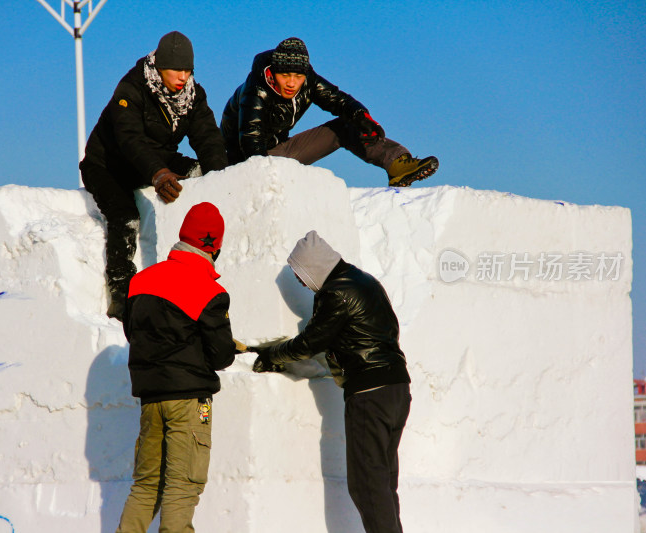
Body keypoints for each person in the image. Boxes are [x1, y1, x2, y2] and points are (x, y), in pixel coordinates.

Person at [250, 230, 411, 533]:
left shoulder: (335, 292)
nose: (298, 280)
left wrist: (273, 353)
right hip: (397, 389)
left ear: (314, 267)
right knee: (383, 483)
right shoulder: (365, 281)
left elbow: (310, 343)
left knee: (367, 486)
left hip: (369, 393)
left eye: (300, 272)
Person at [80, 31, 228, 320]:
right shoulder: (131, 89)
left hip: (156, 159)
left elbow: (208, 137)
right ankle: (122, 296)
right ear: (160, 67)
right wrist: (158, 174)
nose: (183, 76)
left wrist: (222, 179)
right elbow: (130, 139)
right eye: (176, 69)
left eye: (188, 70)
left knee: (198, 173)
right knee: (126, 217)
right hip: (109, 165)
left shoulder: (193, 95)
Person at [116, 202, 235, 533]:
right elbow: (222, 355)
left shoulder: (140, 281)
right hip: (190, 402)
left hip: (151, 400)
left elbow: (133, 333)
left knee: (145, 487)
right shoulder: (209, 290)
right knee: (182, 489)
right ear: (214, 246)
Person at [221, 37, 438, 188]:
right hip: (245, 166)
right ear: (274, 72)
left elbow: (337, 100)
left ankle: (396, 164)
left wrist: (361, 116)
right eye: (285, 75)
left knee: (345, 126)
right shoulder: (256, 90)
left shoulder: (308, 81)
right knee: (258, 160)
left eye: (298, 76)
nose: (292, 83)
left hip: (278, 155)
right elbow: (251, 141)